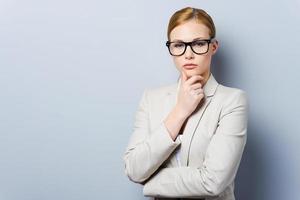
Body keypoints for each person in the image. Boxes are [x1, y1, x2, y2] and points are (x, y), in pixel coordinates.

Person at [123, 7, 248, 200]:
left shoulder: (232, 101)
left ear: (213, 46)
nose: (188, 54)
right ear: (171, 48)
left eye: (198, 44)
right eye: (179, 45)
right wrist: (180, 111)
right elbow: (133, 168)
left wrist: (150, 182)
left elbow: (213, 182)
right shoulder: (151, 99)